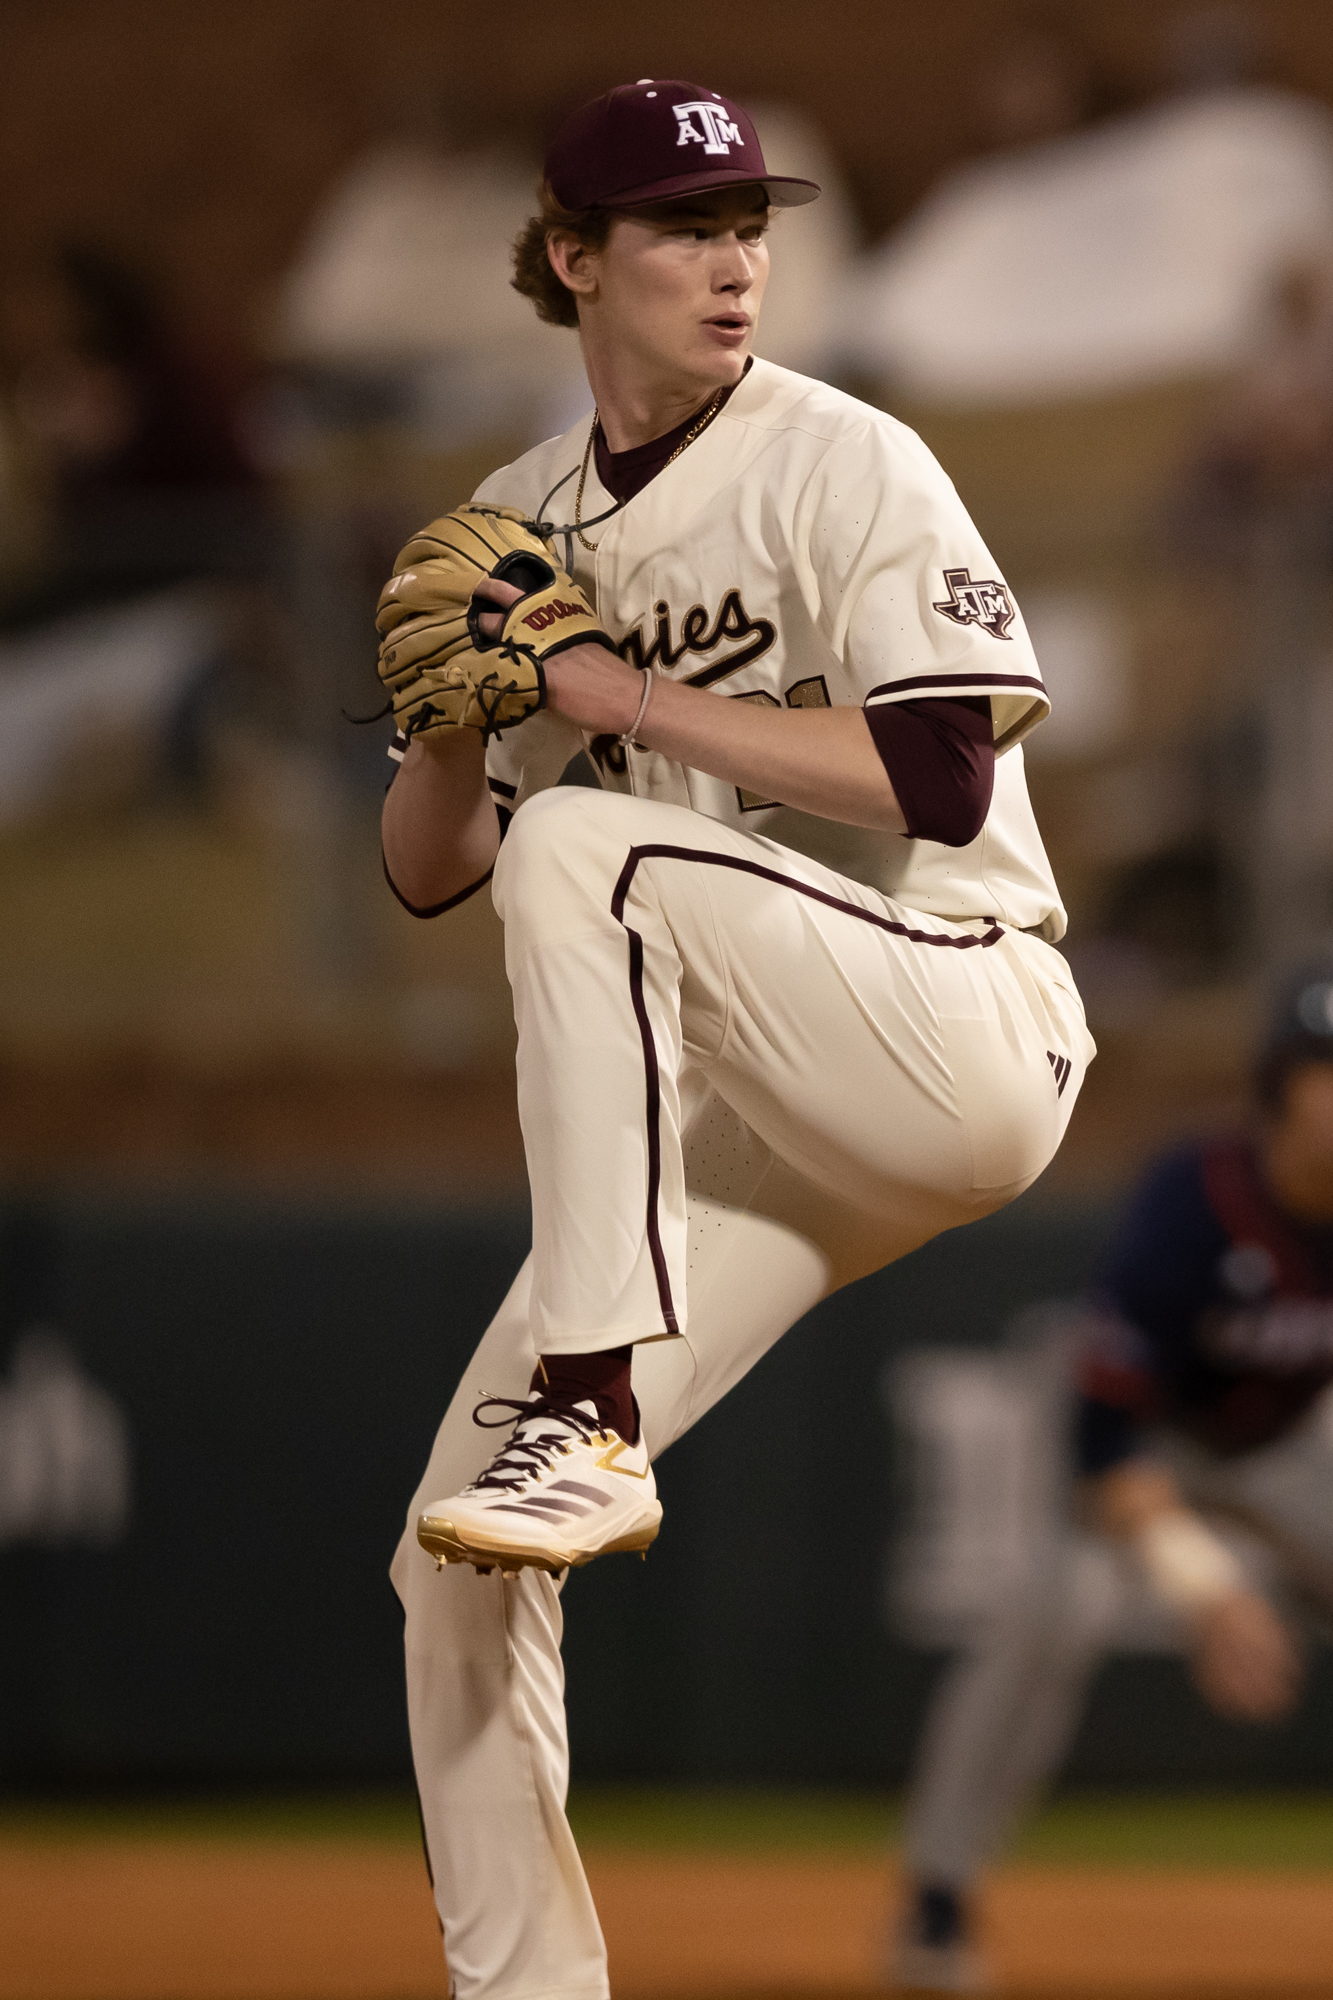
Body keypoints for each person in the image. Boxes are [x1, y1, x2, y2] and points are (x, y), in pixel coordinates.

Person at [382, 78, 1092, 1998]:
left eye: (745, 222)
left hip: (957, 1020)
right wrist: (464, 712)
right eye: (682, 228)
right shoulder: (514, 516)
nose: (733, 260)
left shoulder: (841, 457)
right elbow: (430, 869)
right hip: (754, 1101)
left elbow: (938, 778)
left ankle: (594, 1414)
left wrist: (601, 691)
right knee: (449, 1560)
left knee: (595, 847)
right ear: (570, 260)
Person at [895, 961, 1333, 1993]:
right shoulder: (1200, 1194)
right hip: (1142, 1444)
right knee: (1054, 1613)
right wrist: (1205, 1587)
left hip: (1281, 1449)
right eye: (1326, 1070)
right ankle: (937, 1894)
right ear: (1279, 1083)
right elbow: (1104, 1435)